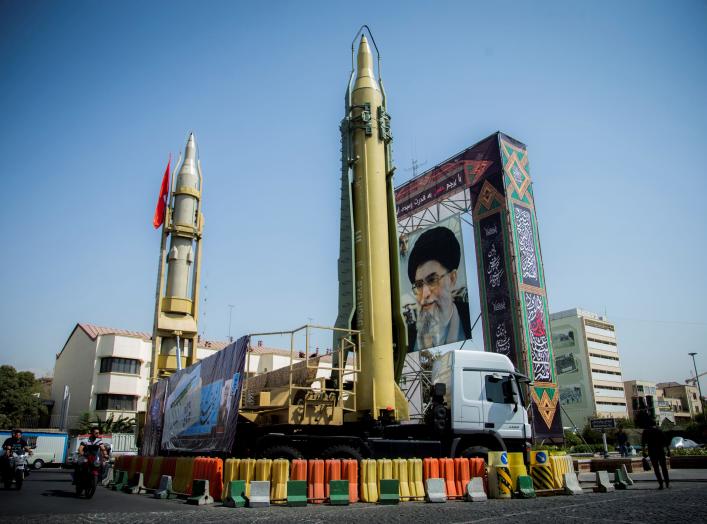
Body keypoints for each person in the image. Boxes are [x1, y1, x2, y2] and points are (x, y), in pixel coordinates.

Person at [406, 226, 471, 352]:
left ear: (452, 279)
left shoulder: (471, 321)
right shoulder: (409, 337)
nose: (424, 294)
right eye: (419, 285)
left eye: (432, 280)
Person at [642, 422, 670, 489]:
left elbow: (643, 442)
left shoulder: (646, 432)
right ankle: (667, 483)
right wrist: (668, 450)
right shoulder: (659, 431)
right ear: (655, 425)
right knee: (664, 467)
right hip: (660, 451)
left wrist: (644, 451)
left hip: (652, 451)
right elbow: (666, 441)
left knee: (656, 468)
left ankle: (661, 484)